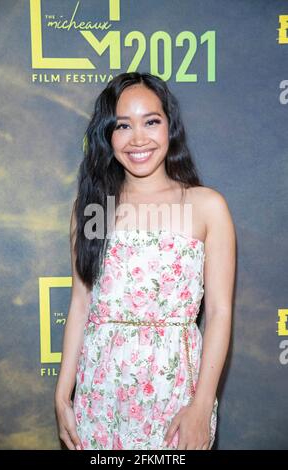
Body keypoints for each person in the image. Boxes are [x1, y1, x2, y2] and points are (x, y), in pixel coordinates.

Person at [54, 71, 236, 451]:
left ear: (170, 126)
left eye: (151, 121)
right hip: (99, 393)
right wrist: (62, 394)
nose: (138, 138)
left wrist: (202, 405)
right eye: (123, 126)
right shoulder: (92, 209)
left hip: (177, 395)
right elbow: (81, 303)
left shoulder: (206, 206)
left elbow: (219, 312)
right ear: (108, 136)